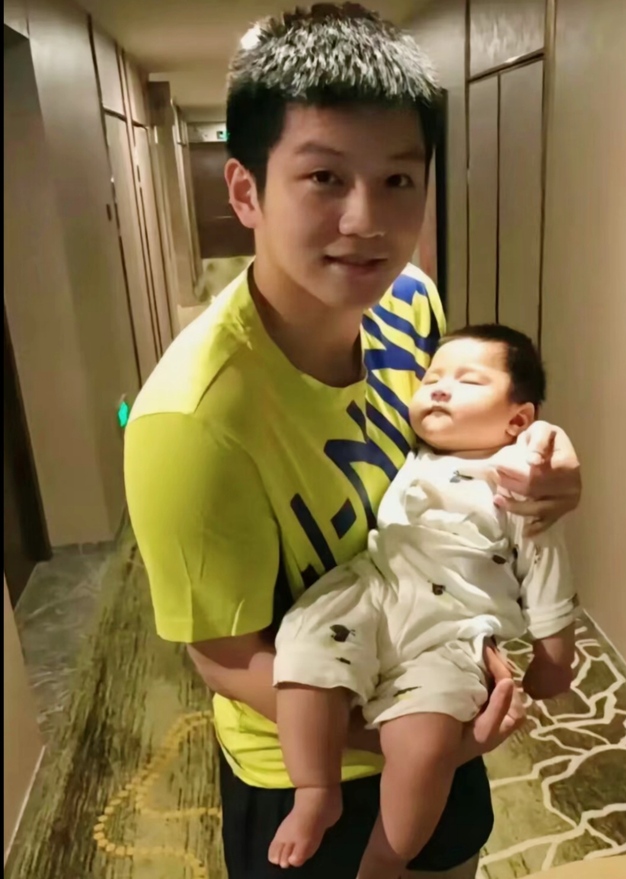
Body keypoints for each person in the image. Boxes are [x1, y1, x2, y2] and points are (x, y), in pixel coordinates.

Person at [124, 5, 582, 877]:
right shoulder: (189, 423)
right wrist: (413, 732)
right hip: (310, 763)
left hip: (437, 701)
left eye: (399, 178)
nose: (367, 219)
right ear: (247, 191)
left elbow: (462, 447)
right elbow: (222, 654)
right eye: (325, 177)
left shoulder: (409, 299)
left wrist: (551, 462)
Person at [269, 324, 577, 878]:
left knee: (425, 740)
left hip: (451, 628)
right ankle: (315, 789)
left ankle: (388, 855)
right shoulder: (413, 451)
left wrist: (554, 658)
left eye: (468, 381)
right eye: (432, 377)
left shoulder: (520, 489)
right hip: (374, 590)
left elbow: (547, 573)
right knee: (303, 649)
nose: (439, 388)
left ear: (517, 420)